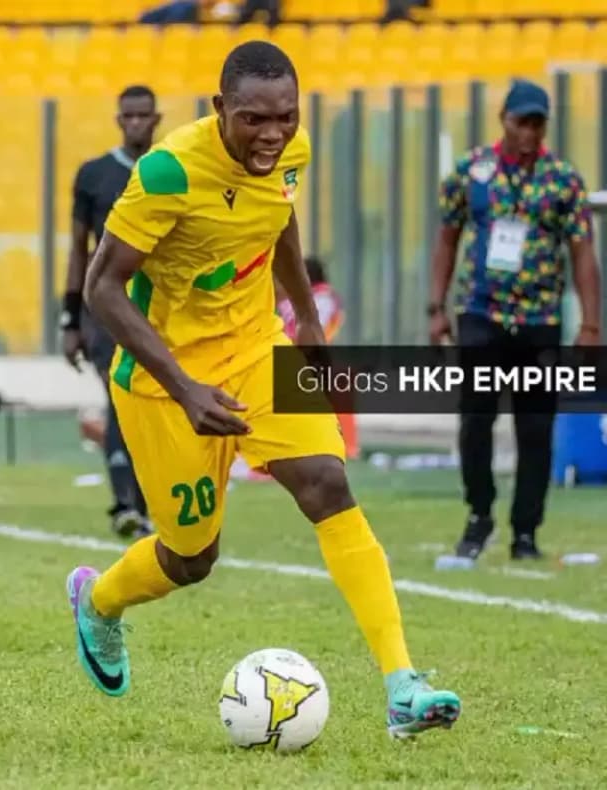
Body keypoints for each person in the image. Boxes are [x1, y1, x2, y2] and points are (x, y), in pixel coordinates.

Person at [64, 40, 461, 739]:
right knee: (191, 558)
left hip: (258, 349)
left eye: (286, 117)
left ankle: (402, 683)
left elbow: (276, 215)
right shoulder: (165, 173)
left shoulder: (290, 152)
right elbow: (101, 288)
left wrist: (304, 314)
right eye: (254, 120)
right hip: (164, 381)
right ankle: (98, 601)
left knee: (327, 485)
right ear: (220, 108)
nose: (273, 135)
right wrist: (185, 386)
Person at [429, 78, 601, 562]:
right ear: (503, 119)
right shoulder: (471, 172)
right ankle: (478, 515)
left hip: (539, 317)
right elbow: (447, 239)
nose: (528, 131)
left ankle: (526, 531)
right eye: (520, 121)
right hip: (480, 312)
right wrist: (435, 308)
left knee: (535, 427)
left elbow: (583, 254)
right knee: (476, 420)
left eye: (537, 122)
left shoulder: (563, 180)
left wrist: (591, 324)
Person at [62, 85, 162, 539]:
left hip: (161, 306)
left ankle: (148, 501)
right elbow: (79, 248)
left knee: (153, 402)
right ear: (118, 120)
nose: (137, 123)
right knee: (118, 396)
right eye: (129, 116)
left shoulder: (172, 170)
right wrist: (70, 317)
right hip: (106, 307)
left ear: (156, 119)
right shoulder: (94, 174)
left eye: (144, 115)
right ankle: (127, 503)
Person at [276, 256, 359, 460]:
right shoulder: (315, 297)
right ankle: (344, 446)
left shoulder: (316, 297)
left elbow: (315, 327)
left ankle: (344, 446)